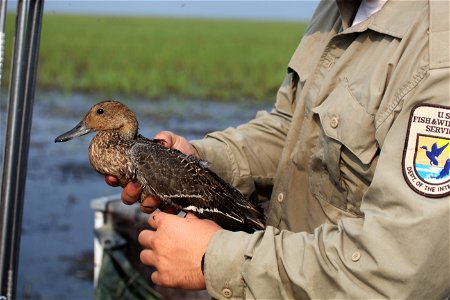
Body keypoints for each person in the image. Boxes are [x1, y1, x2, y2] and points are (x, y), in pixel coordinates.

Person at [106, 0, 450, 298]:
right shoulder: (338, 9)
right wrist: (192, 167)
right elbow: (294, 127)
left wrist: (215, 257)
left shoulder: (436, 55)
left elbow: (400, 269)